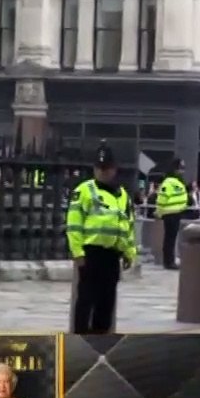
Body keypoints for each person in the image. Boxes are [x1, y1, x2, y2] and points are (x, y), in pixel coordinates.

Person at [67, 141, 137, 335]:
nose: (102, 172)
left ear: (114, 169)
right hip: (91, 253)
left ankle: (100, 341)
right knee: (86, 300)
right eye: (99, 168)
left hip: (112, 255)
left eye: (106, 168)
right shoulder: (84, 191)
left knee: (106, 302)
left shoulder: (122, 195)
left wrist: (129, 252)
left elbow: (128, 226)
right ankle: (80, 339)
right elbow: (74, 225)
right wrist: (78, 253)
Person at [155, 158, 189, 270]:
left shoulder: (177, 181)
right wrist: (159, 212)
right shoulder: (168, 182)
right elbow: (162, 198)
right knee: (169, 239)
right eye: (181, 168)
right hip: (170, 214)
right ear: (175, 169)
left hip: (176, 213)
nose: (182, 171)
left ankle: (170, 261)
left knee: (171, 239)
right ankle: (168, 262)